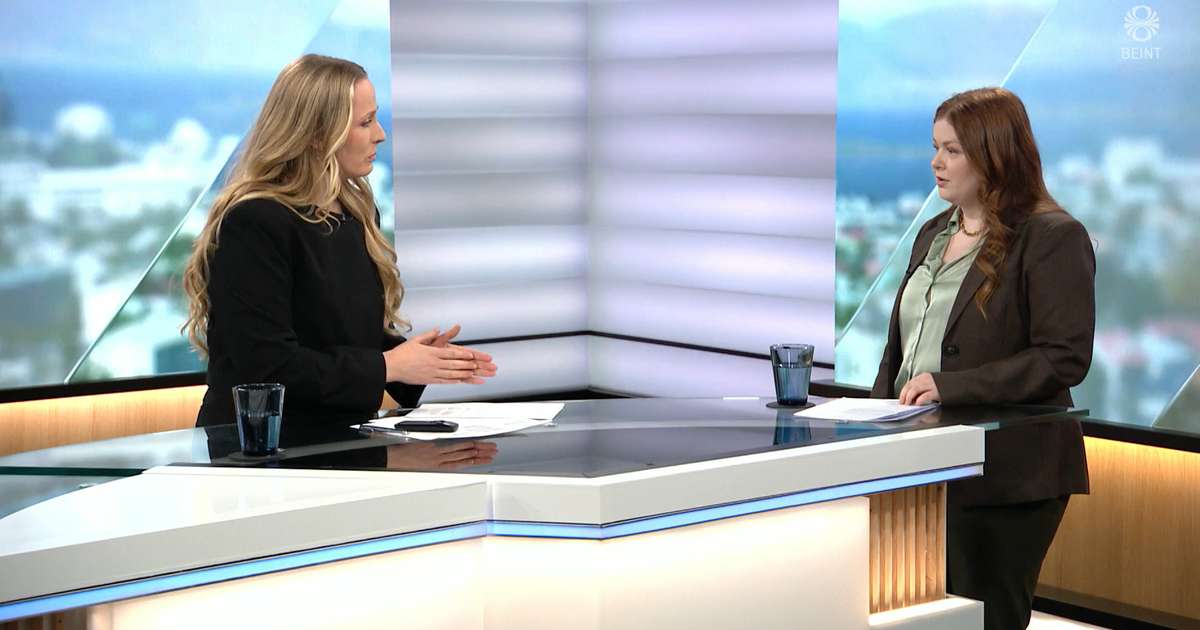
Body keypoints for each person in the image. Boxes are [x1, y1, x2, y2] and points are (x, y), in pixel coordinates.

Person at [871, 87, 1094, 630]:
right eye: (935, 147)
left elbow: (1062, 358)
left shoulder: (1052, 236)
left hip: (1007, 474)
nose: (936, 162)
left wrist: (953, 386)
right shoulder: (933, 232)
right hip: (920, 464)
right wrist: (867, 429)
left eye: (952, 150)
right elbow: (900, 351)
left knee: (985, 618)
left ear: (994, 155)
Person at [182, 54, 496, 427]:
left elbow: (339, 339)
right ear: (317, 135)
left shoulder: (357, 213)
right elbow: (267, 365)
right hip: (260, 445)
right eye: (365, 122)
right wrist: (388, 365)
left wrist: (417, 359)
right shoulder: (254, 222)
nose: (380, 134)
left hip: (344, 437)